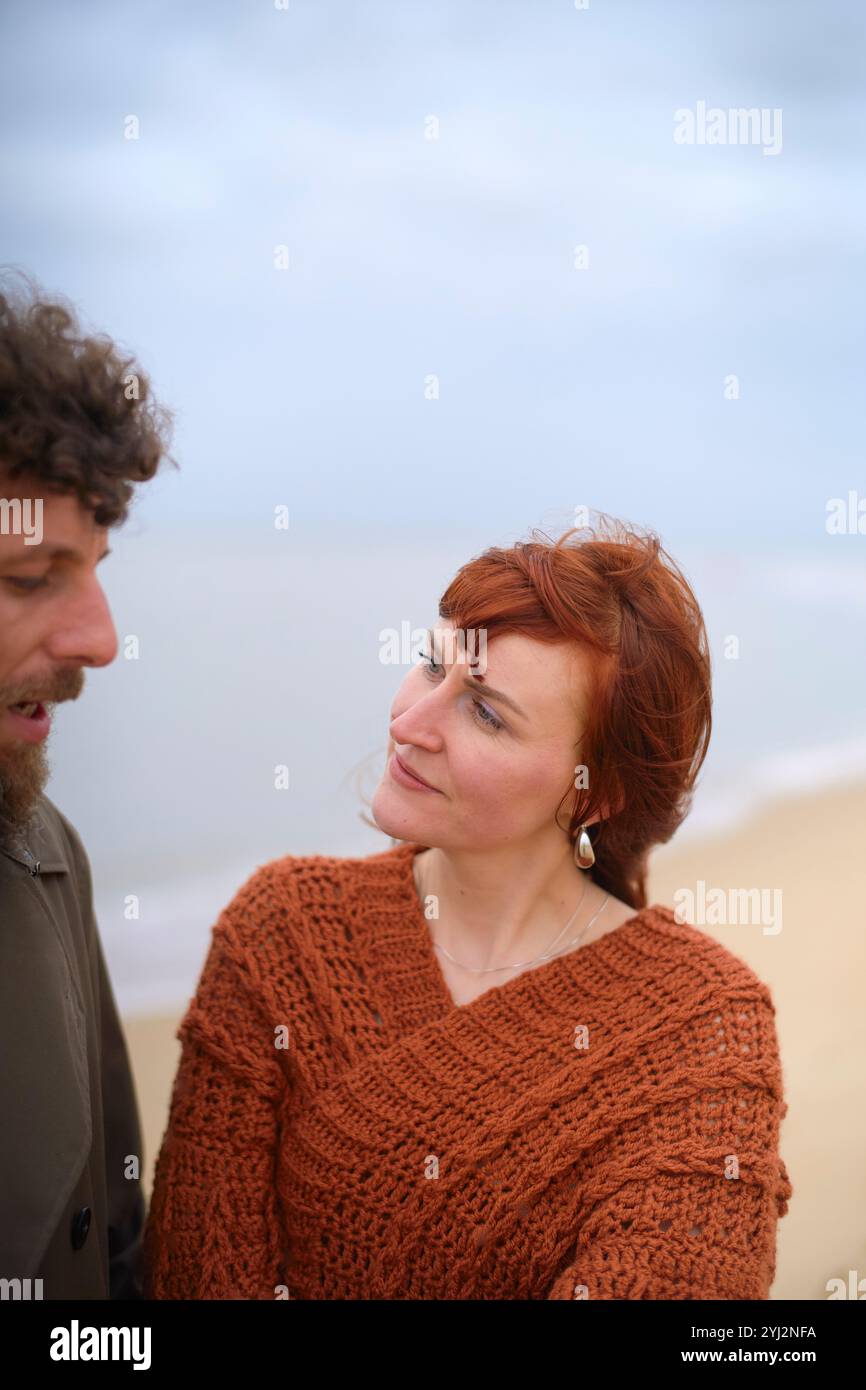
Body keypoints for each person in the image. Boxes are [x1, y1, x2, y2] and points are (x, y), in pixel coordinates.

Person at [144, 515, 792, 1299]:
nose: (409, 724)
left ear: (597, 793)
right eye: (429, 665)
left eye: (485, 713)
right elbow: (194, 1276)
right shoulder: (281, 930)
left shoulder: (701, 1032)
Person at [0, 272, 174, 1298]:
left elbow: (111, 1248)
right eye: (29, 577)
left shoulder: (45, 850)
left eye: (97, 566)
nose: (101, 641)